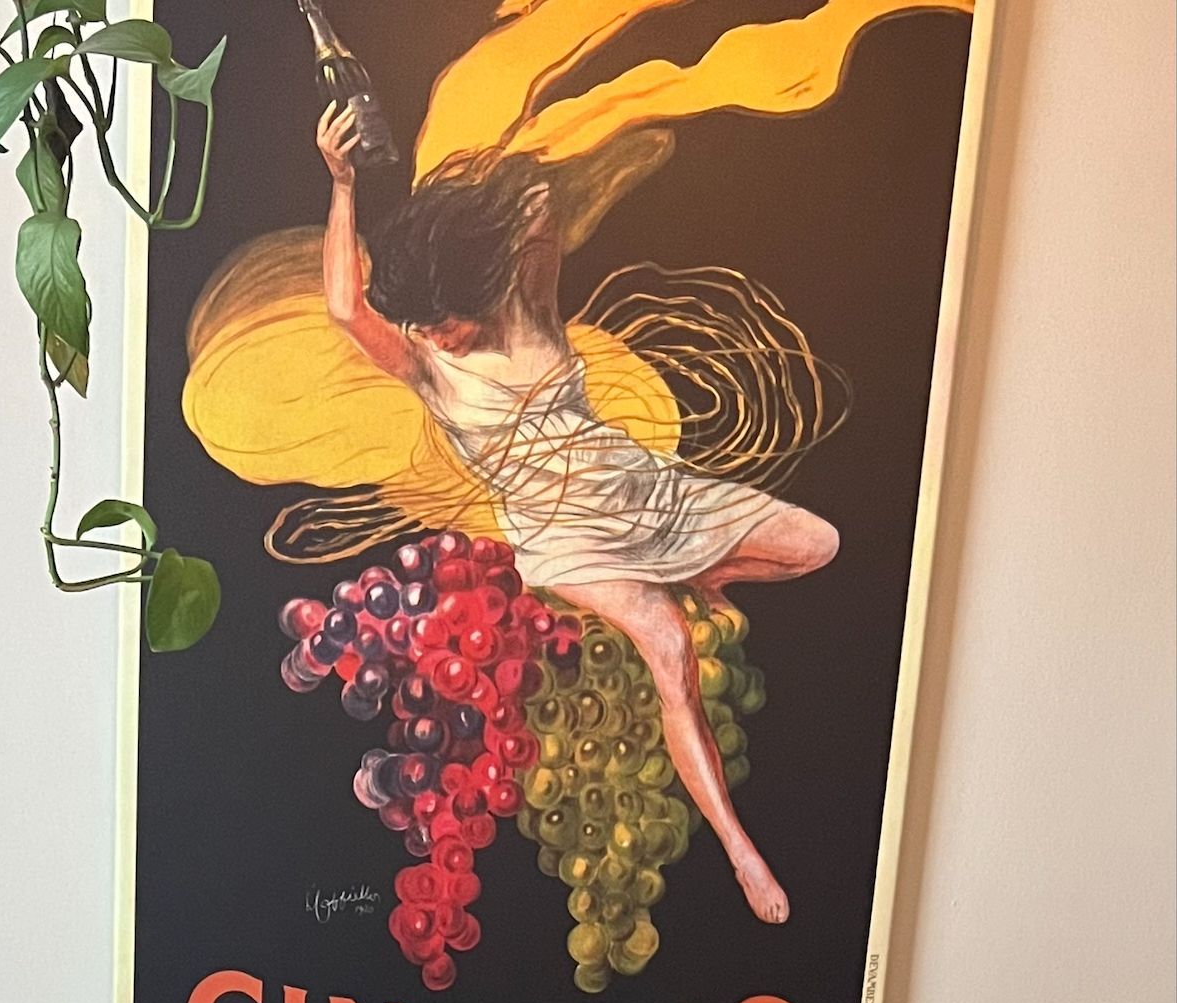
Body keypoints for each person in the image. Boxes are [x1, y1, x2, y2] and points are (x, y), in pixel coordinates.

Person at [317, 102, 840, 925]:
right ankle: (744, 857)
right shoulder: (425, 369)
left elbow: (536, 202)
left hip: (643, 492)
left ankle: (700, 566)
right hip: (564, 540)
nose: (434, 336)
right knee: (668, 649)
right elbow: (348, 310)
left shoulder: (526, 302)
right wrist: (344, 182)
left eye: (443, 320)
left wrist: (503, 199)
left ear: (478, 290)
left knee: (819, 543)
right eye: (420, 328)